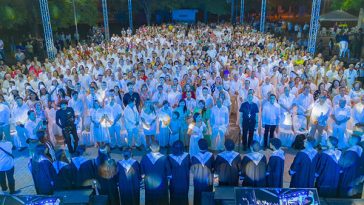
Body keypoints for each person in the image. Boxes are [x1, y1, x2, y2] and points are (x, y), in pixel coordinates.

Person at [191, 139, 214, 205]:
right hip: (208, 179)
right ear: (207, 146)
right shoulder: (211, 155)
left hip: (198, 180)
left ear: (198, 146)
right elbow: (213, 167)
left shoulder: (194, 157)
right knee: (208, 194)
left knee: (198, 195)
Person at [168, 140, 190, 205]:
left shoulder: (169, 157)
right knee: (184, 196)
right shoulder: (187, 156)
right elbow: (189, 167)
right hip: (185, 181)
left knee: (174, 196)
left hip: (174, 182)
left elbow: (168, 171)